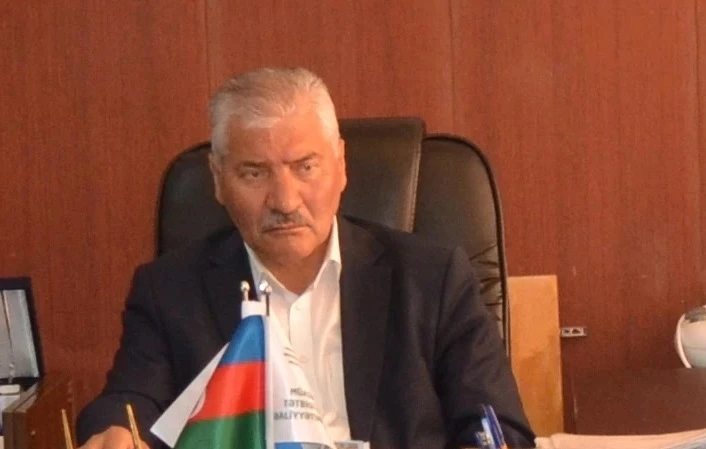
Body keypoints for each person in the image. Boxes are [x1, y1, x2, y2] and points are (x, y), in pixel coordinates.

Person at [77, 67, 535, 449]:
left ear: (341, 165)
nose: (284, 200)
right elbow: (128, 401)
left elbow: (499, 428)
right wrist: (116, 431)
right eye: (253, 173)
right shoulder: (170, 290)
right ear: (218, 179)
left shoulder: (432, 279)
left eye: (305, 167)